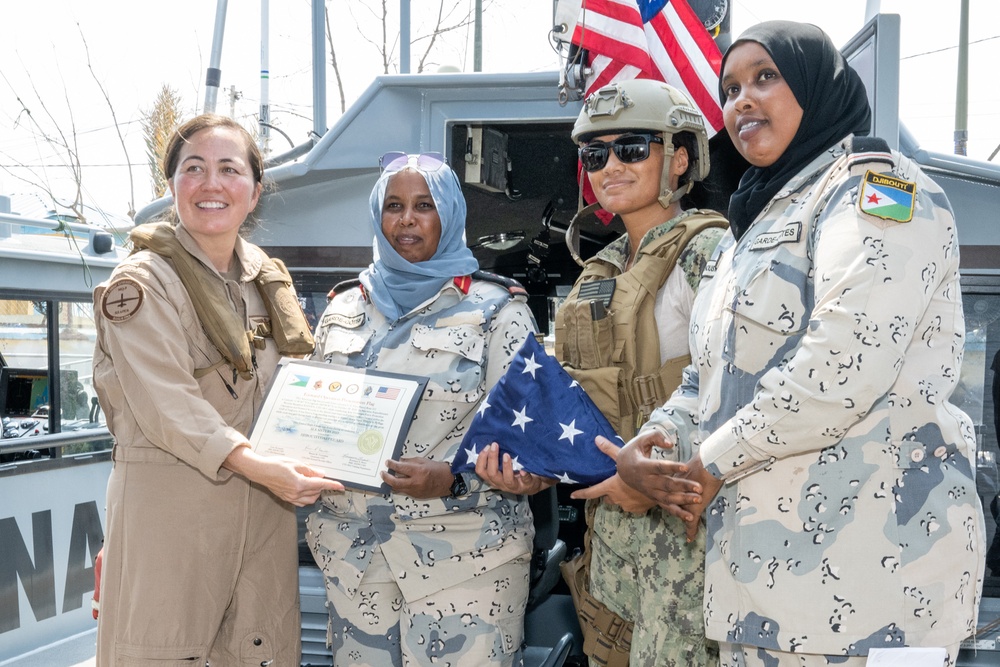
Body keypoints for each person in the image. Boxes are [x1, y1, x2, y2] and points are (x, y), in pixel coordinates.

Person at [616, 21, 986, 667]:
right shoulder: (753, 227)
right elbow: (713, 374)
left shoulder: (879, 192)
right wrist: (654, 444)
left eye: (766, 77)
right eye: (730, 88)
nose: (743, 101)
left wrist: (708, 461)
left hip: (877, 585)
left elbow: (843, 366)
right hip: (764, 591)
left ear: (818, 87)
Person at [92, 114, 343, 666]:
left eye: (229, 169)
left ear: (254, 192)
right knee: (162, 653)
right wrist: (260, 466)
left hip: (262, 516)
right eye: (194, 169)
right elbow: (168, 405)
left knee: (260, 653)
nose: (212, 184)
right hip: (173, 515)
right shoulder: (141, 283)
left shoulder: (263, 281)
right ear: (173, 185)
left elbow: (303, 387)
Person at [519, 78, 725, 667]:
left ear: (679, 159)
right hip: (613, 540)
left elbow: (734, 392)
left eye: (632, 148)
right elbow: (568, 401)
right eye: (594, 154)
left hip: (688, 541)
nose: (609, 165)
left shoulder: (711, 255)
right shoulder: (599, 271)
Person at [307, 152, 538, 666]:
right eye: (393, 205)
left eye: (423, 206)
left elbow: (535, 448)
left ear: (450, 215)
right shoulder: (343, 309)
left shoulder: (497, 310)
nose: (406, 219)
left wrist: (455, 477)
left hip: (466, 564)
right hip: (356, 564)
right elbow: (313, 417)